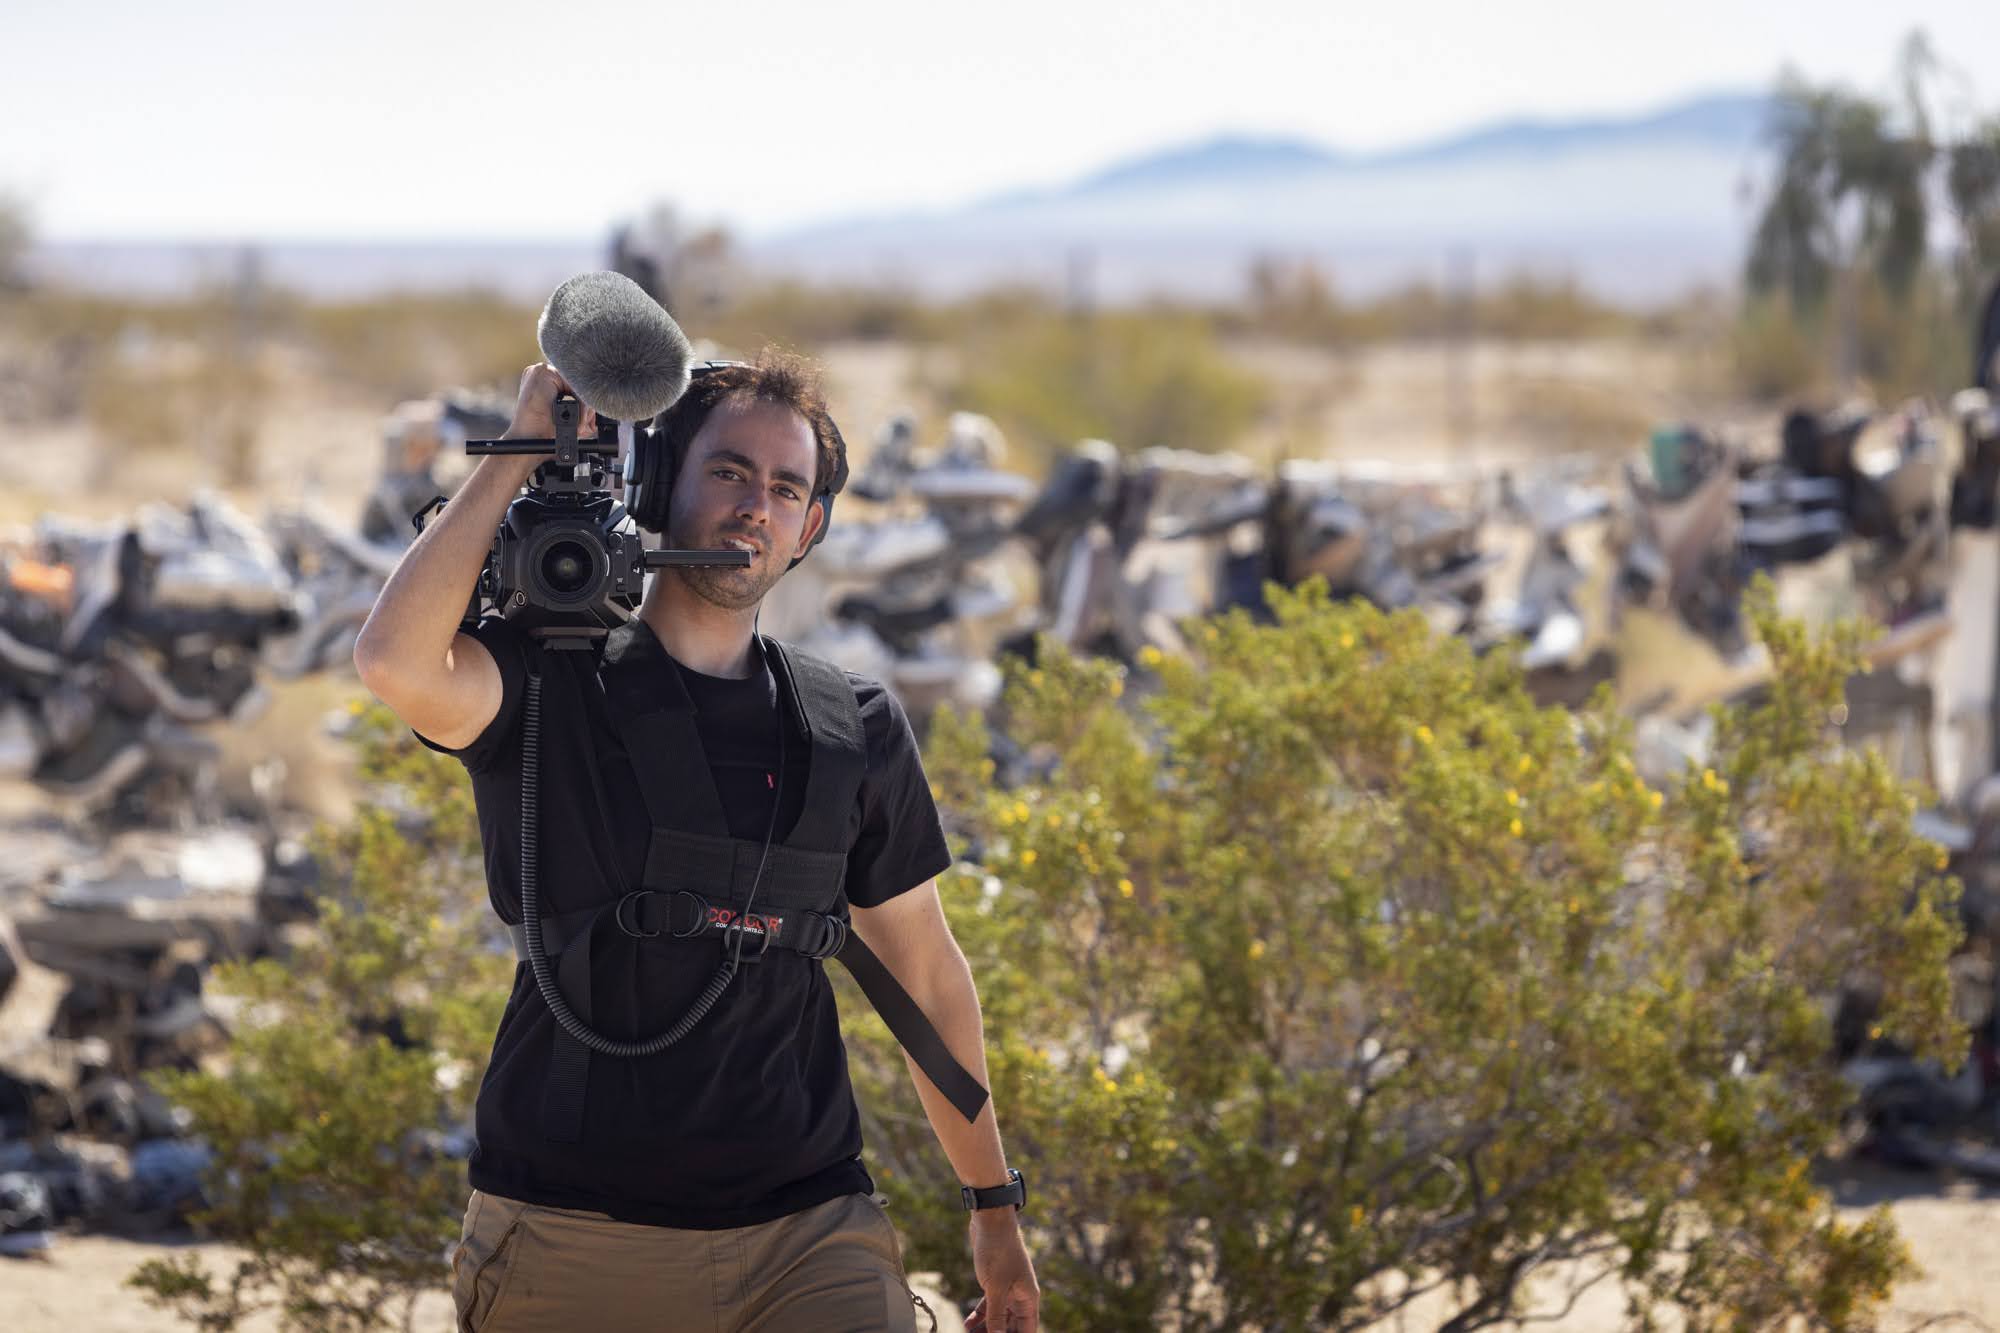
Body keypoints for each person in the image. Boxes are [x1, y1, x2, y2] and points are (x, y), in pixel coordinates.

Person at [353, 349, 1040, 1332]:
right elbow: (393, 660)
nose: (754, 506)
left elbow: (927, 973)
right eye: (727, 470)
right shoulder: (545, 685)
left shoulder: (853, 725)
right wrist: (518, 453)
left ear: (808, 529)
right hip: (570, 1228)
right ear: (658, 485)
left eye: (785, 488)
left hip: (809, 1229)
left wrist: (993, 1208)